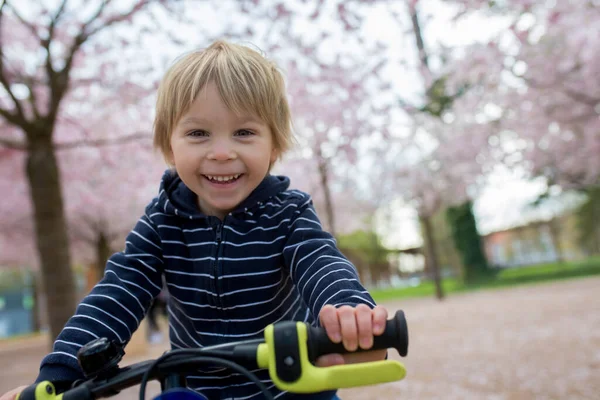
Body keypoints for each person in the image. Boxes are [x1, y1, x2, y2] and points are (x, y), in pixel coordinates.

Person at [1, 40, 387, 400]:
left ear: (275, 145)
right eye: (198, 133)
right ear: (170, 145)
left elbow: (322, 264)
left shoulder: (289, 213)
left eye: (244, 132)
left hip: (291, 387)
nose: (221, 152)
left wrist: (348, 312)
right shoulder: (161, 222)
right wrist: (61, 371)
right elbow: (119, 289)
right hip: (196, 392)